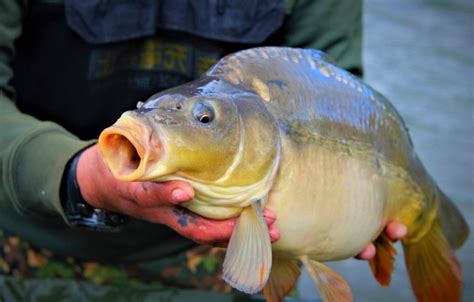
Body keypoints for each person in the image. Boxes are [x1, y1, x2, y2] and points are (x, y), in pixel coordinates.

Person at [0, 0, 406, 299]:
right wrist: (74, 174)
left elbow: (333, 90)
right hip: (22, 246)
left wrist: (340, 210)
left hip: (226, 267)